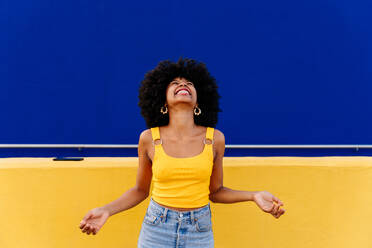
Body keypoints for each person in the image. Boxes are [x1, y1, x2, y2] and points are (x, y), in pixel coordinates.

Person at [79, 58, 286, 247]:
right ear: (162, 101)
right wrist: (106, 210)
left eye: (189, 83)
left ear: (198, 102)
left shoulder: (215, 139)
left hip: (199, 230)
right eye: (174, 83)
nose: (183, 85)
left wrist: (254, 196)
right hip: (156, 228)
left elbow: (216, 192)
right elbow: (141, 191)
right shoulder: (149, 139)